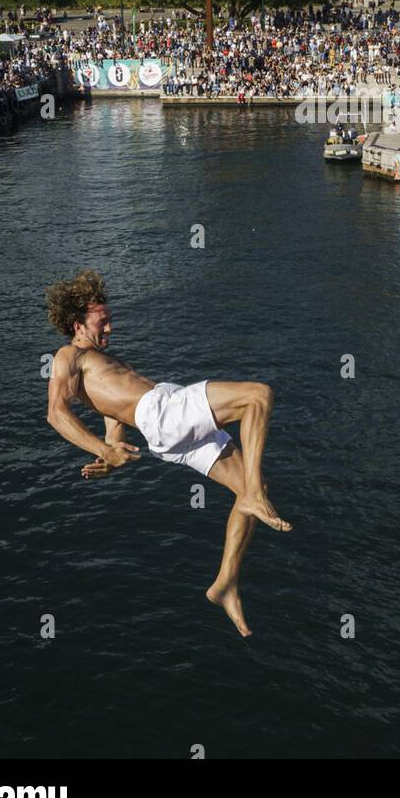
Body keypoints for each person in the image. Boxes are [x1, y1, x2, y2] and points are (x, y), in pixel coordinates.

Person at [45, 271, 290, 638]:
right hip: (162, 412)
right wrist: (101, 450)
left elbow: (114, 419)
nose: (110, 328)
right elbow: (55, 413)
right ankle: (253, 495)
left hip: (164, 432)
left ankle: (225, 583)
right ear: (77, 323)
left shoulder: (100, 360)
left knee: (252, 488)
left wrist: (112, 451)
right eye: (103, 322)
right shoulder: (68, 356)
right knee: (258, 396)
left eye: (111, 320)